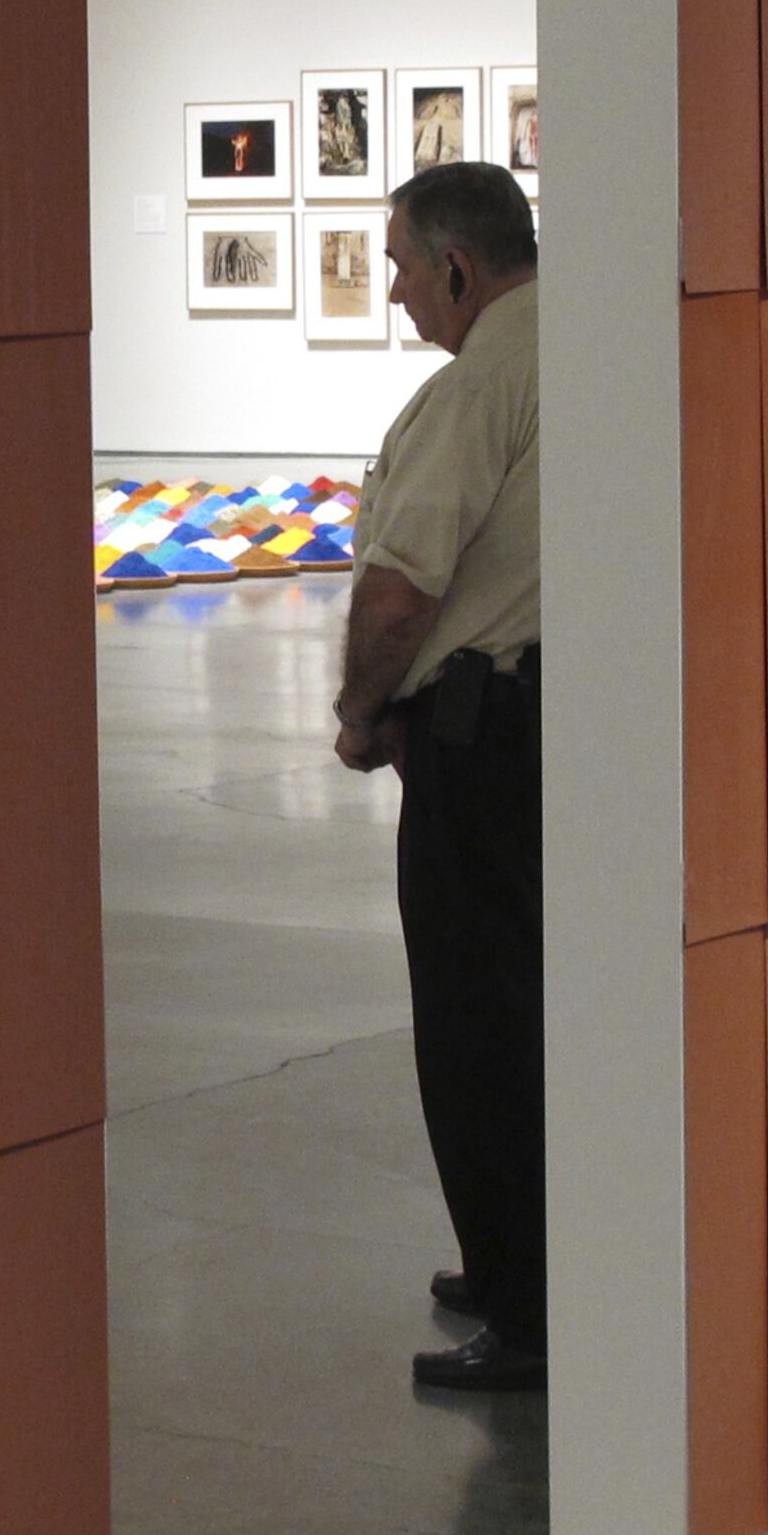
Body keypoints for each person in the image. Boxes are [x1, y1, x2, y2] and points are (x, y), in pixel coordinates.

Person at [333, 160, 544, 1393]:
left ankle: (523, 1303)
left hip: (480, 739)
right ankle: (525, 1256)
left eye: (406, 265)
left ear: (459, 266)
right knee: (533, 1006)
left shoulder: (476, 388)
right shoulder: (589, 346)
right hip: (552, 720)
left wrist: (361, 709)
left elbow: (403, 586)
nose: (401, 292)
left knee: (476, 1025)